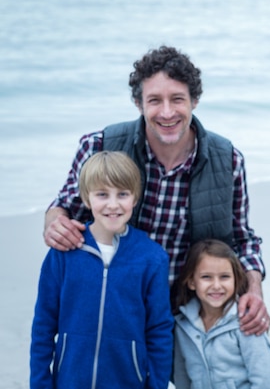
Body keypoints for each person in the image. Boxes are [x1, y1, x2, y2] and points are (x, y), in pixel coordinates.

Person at [43, 46, 270, 335]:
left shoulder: (228, 160)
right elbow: (62, 208)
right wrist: (54, 224)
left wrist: (255, 290)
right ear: (139, 104)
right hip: (114, 308)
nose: (166, 112)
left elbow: (242, 240)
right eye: (154, 100)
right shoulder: (98, 147)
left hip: (188, 312)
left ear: (195, 101)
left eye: (177, 99)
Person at [30, 151, 174, 389]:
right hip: (69, 381)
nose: (113, 204)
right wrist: (40, 384)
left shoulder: (152, 258)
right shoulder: (64, 253)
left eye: (123, 194)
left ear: (135, 199)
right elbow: (43, 325)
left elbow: (159, 330)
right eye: (102, 194)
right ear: (87, 199)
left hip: (128, 382)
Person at [172, 238, 270, 389]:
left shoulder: (246, 322)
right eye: (206, 277)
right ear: (192, 282)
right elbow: (182, 378)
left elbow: (263, 378)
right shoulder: (182, 326)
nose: (216, 285)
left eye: (224, 277)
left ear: (236, 279)